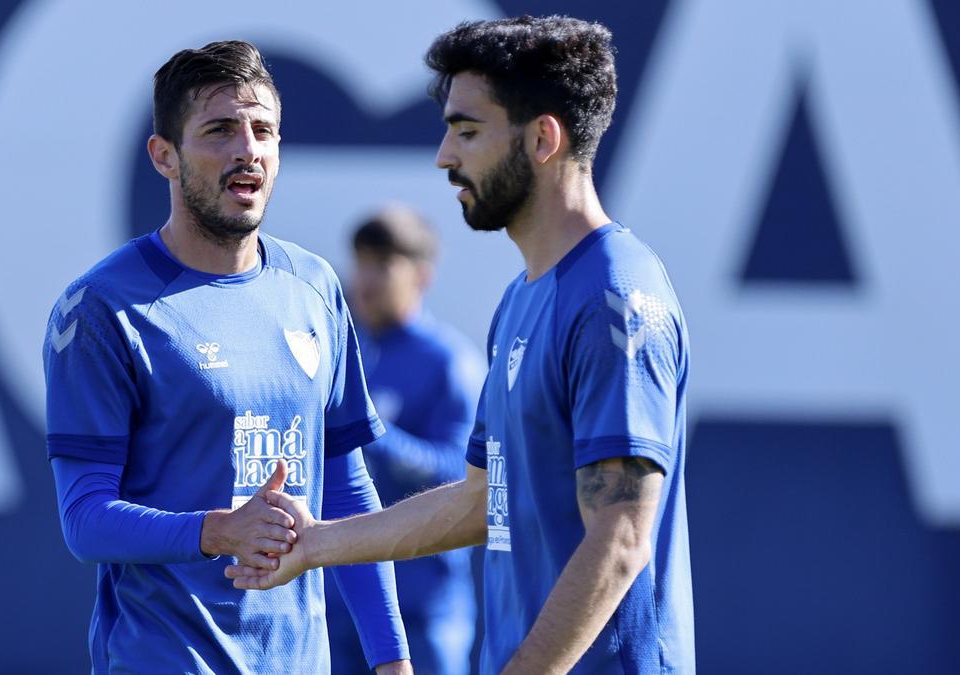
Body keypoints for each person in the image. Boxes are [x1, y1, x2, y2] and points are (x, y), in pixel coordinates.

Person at [226, 16, 694, 674]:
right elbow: (479, 498)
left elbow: (620, 536)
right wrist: (318, 542)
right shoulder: (522, 300)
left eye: (467, 131)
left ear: (542, 138)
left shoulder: (614, 297)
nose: (445, 156)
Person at [42, 40, 411, 674]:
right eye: (219, 130)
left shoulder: (316, 286)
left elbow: (347, 489)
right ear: (165, 156)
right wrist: (218, 530)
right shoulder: (103, 308)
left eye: (263, 130)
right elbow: (85, 520)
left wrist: (391, 658)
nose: (248, 149)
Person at [324, 207, 483, 675]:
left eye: (382, 265)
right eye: (360, 263)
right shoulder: (346, 351)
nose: (365, 279)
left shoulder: (450, 363)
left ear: (422, 275)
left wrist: (367, 430)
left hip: (424, 608)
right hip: (344, 601)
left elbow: (463, 477)